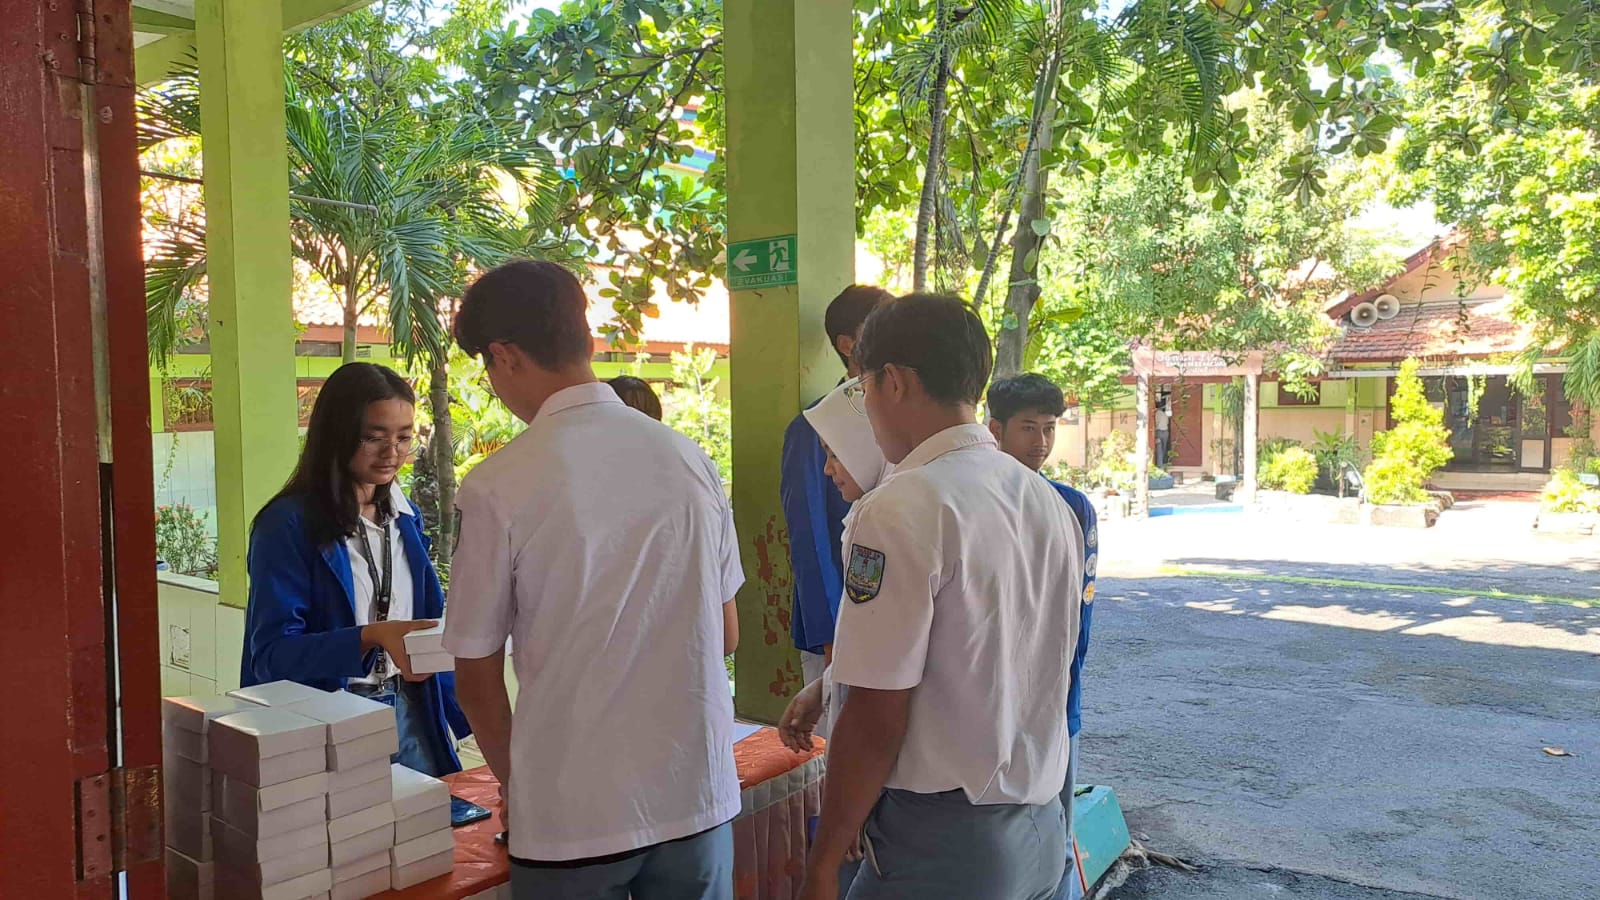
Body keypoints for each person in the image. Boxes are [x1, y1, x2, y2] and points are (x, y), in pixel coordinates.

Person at [443, 260, 743, 900]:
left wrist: (520, 786)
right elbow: (725, 635)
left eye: (489, 370)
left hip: (572, 817)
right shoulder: (690, 459)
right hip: (696, 796)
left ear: (505, 356)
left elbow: (475, 676)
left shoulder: (499, 484)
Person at [801, 294, 1084, 900]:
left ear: (894, 382)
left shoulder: (901, 506)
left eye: (865, 388)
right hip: (1040, 822)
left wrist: (826, 857)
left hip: (943, 841)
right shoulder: (1046, 501)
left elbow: (878, 711)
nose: (867, 409)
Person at [242, 362, 470, 777]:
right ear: (338, 434)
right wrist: (370, 637)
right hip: (329, 726)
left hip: (412, 714)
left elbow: (427, 629)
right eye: (373, 437)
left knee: (427, 837)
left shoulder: (405, 518)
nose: (392, 453)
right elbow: (272, 656)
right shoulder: (288, 524)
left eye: (404, 437)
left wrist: (469, 720)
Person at [986, 374, 1101, 900]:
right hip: (988, 706)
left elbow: (1080, 616)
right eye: (1028, 427)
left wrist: (1061, 692)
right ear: (995, 430)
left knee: (1054, 836)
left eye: (1050, 428)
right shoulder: (975, 502)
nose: (1041, 442)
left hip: (1057, 703)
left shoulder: (1072, 506)